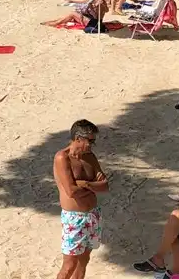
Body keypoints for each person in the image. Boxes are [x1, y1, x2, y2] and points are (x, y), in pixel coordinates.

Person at [53, 119, 108, 279]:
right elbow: (71, 191)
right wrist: (92, 186)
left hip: (93, 215)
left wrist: (84, 184)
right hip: (74, 218)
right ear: (78, 138)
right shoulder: (62, 158)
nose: (92, 144)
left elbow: (105, 186)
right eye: (90, 140)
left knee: (84, 261)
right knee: (69, 265)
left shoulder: (89, 157)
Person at [42, 0, 110, 30]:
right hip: (92, 21)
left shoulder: (100, 4)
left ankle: (55, 23)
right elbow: (82, 2)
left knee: (72, 14)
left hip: (95, 25)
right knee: (73, 14)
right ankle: (55, 21)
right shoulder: (94, 0)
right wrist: (71, 1)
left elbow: (96, 17)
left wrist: (92, 7)